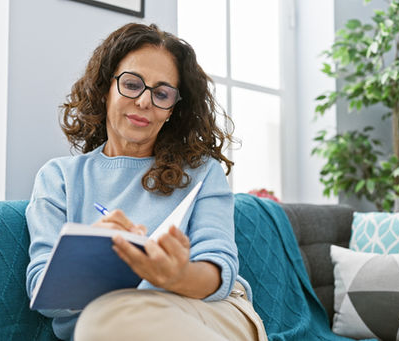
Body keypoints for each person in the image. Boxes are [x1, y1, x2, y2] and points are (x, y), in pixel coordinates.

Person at [26, 23, 267, 341]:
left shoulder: (202, 172)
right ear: (104, 90)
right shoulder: (59, 178)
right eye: (132, 84)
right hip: (110, 323)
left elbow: (218, 270)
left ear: (172, 110)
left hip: (208, 310)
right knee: (108, 318)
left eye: (162, 93)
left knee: (111, 319)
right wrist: (89, 258)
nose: (144, 102)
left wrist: (176, 275)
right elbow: (43, 293)